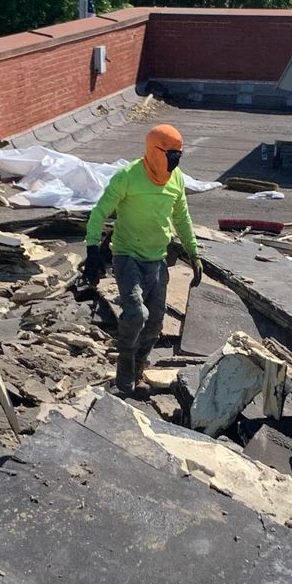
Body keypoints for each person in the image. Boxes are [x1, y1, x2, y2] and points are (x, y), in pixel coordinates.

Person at [81, 123, 203, 394]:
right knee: (136, 314)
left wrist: (193, 252)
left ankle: (138, 371)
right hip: (127, 256)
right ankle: (124, 375)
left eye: (178, 156)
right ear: (154, 151)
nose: (174, 162)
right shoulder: (128, 176)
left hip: (157, 258)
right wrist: (92, 251)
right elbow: (99, 212)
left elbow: (181, 217)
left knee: (155, 322)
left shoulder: (177, 179)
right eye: (170, 155)